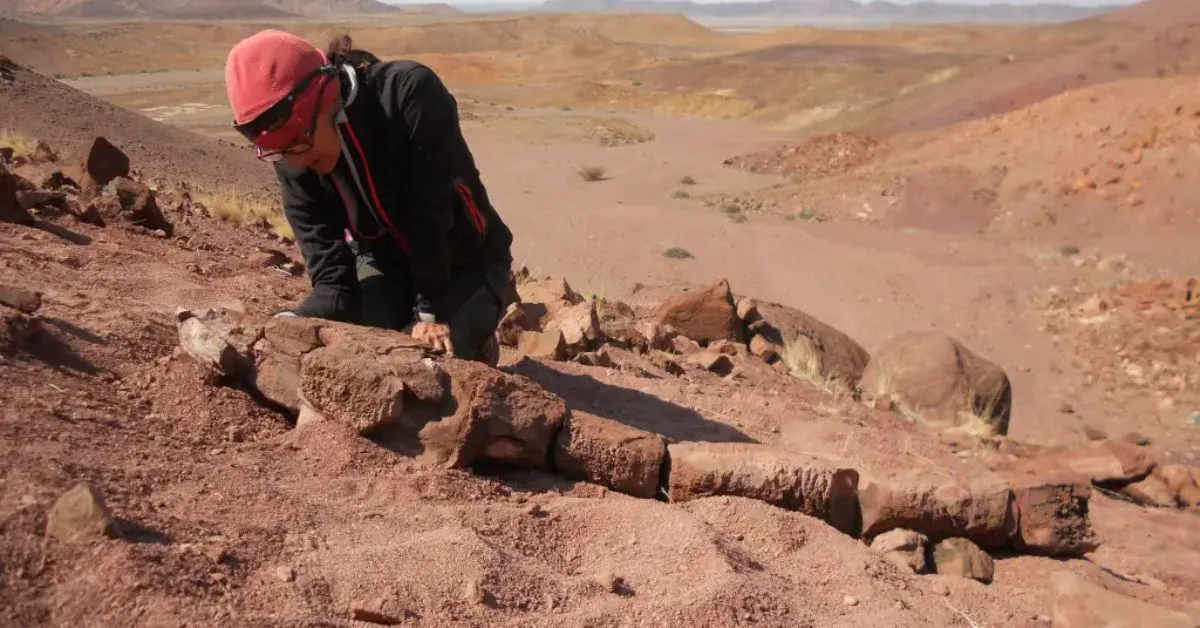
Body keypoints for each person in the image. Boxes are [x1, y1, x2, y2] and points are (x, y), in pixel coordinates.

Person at [223, 30, 515, 366]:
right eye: (278, 153)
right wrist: (292, 324)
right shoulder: (290, 154)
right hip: (384, 261)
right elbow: (332, 279)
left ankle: (480, 340)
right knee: (356, 353)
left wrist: (429, 313)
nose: (297, 162)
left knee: (433, 365)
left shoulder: (408, 93)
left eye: (299, 143)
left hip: (464, 259)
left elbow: (427, 214)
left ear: (328, 97)